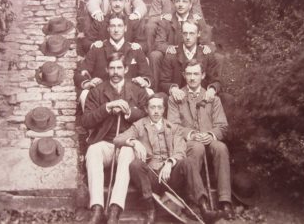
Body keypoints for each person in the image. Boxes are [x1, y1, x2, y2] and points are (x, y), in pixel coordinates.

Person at [114, 93, 220, 224]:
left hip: (170, 177)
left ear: (164, 110)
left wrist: (170, 163)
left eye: (159, 107)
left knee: (188, 161)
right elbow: (117, 139)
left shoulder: (173, 128)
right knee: (135, 165)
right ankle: (150, 209)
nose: (156, 111)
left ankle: (204, 209)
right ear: (147, 109)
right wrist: (134, 142)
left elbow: (180, 150)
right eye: (153, 107)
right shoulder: (139, 125)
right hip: (150, 178)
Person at [80, 52, 149, 224]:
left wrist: (128, 112)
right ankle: (96, 207)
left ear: (126, 69)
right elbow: (86, 121)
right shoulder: (96, 91)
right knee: (93, 150)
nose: (116, 72)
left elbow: (147, 117)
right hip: (105, 143)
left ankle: (115, 209)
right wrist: (107, 108)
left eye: (119, 68)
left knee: (126, 152)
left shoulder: (137, 91)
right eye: (112, 68)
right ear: (106, 69)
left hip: (127, 143)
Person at [167, 59, 235, 220]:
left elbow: (222, 126)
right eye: (189, 74)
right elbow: (172, 126)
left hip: (208, 137)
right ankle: (194, 200)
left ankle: (225, 202)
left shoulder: (213, 98)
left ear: (203, 75)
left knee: (221, 148)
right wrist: (190, 134)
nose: (192, 78)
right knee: (196, 148)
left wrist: (210, 134)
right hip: (189, 141)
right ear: (183, 75)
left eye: (196, 74)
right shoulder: (176, 98)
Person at [74, 14, 153, 111]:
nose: (116, 30)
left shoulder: (135, 49)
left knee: (149, 92)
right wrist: (88, 83)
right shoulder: (97, 48)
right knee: (85, 93)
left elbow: (148, 74)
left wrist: (144, 81)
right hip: (102, 97)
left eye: (119, 26)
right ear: (108, 29)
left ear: (125, 28)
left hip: (130, 96)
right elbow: (80, 73)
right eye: (113, 26)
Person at [149, 0, 213, 91]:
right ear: (174, 4)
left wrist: (205, 47)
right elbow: (158, 43)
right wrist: (168, 48)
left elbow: (206, 41)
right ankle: (156, 92)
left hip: (191, 54)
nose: (180, 4)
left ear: (190, 5)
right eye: (178, 1)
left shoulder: (198, 20)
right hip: (172, 56)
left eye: (184, 1)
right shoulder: (166, 21)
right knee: (155, 55)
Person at [160, 20, 222, 102]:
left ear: (198, 34)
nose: (188, 37)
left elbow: (215, 81)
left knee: (227, 99)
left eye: (192, 33)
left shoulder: (206, 54)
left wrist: (211, 89)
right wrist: (173, 89)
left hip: (201, 99)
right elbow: (163, 82)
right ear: (182, 34)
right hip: (179, 98)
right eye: (185, 33)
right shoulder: (172, 54)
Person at [81, 0, 147, 54]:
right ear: (109, 1)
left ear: (126, 2)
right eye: (114, 0)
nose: (117, 4)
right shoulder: (100, 21)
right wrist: (94, 45)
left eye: (121, 1)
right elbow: (86, 42)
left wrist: (137, 46)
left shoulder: (133, 22)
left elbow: (144, 45)